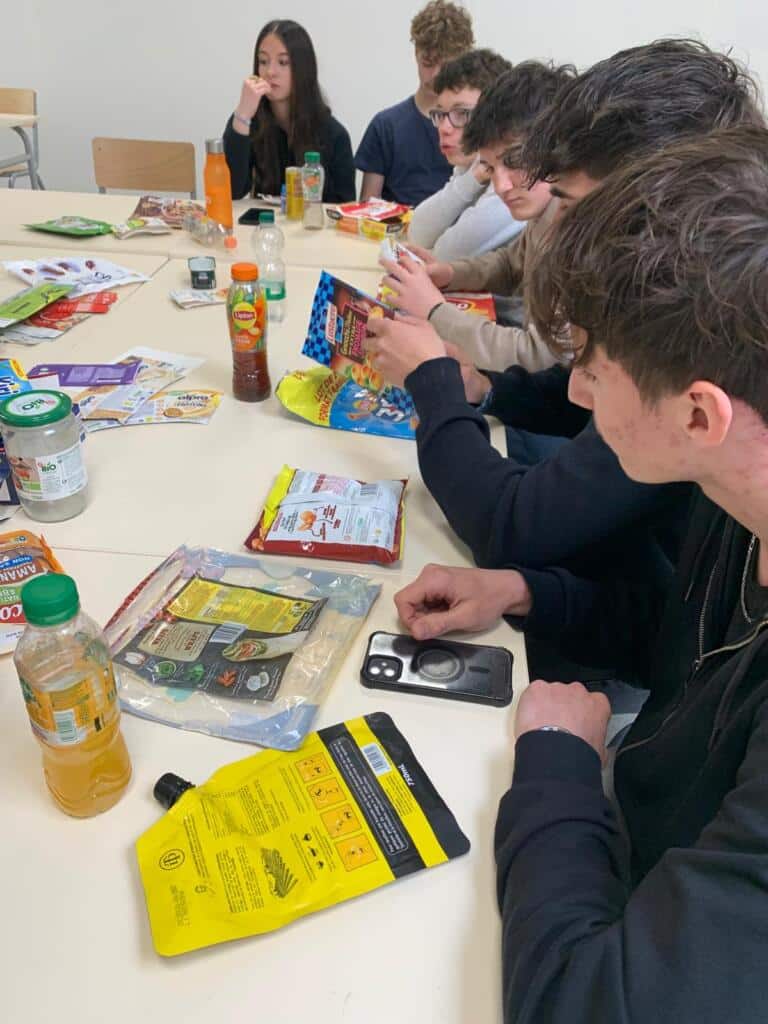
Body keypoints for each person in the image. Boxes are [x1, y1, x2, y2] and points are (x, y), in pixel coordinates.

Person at [395, 123, 768, 1023]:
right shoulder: (734, 496)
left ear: (699, 414)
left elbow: (580, 1005)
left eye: (595, 368)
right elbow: (684, 640)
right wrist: (528, 592)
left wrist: (559, 763)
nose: (574, 393)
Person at [367, 41, 762, 582]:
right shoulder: (682, 330)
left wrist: (432, 380)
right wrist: (488, 389)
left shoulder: (683, 361)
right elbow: (661, 614)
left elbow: (512, 526)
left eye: (572, 207)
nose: (560, 230)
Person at [393, 62, 574, 370]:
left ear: (557, 145)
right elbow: (511, 263)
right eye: (490, 167)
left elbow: (540, 356)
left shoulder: (577, 230)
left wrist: (435, 312)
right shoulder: (545, 206)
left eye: (514, 161)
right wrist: (451, 274)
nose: (501, 186)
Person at [355, 0, 474, 207]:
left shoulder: (477, 126)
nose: (435, 75)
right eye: (428, 63)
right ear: (416, 54)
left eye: (445, 66)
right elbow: (367, 208)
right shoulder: (385, 126)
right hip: (398, 226)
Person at [223, 20, 355, 202]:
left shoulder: (334, 134)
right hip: (266, 221)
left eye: (283, 62)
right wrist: (242, 116)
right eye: (263, 61)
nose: (270, 72)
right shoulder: (247, 120)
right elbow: (231, 192)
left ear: (303, 68)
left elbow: (345, 206)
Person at [408, 49, 522, 261]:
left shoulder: (516, 174)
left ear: (496, 115)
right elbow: (418, 233)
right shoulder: (471, 166)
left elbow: (447, 254)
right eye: (440, 114)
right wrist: (472, 179)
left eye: (461, 114)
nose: (444, 128)